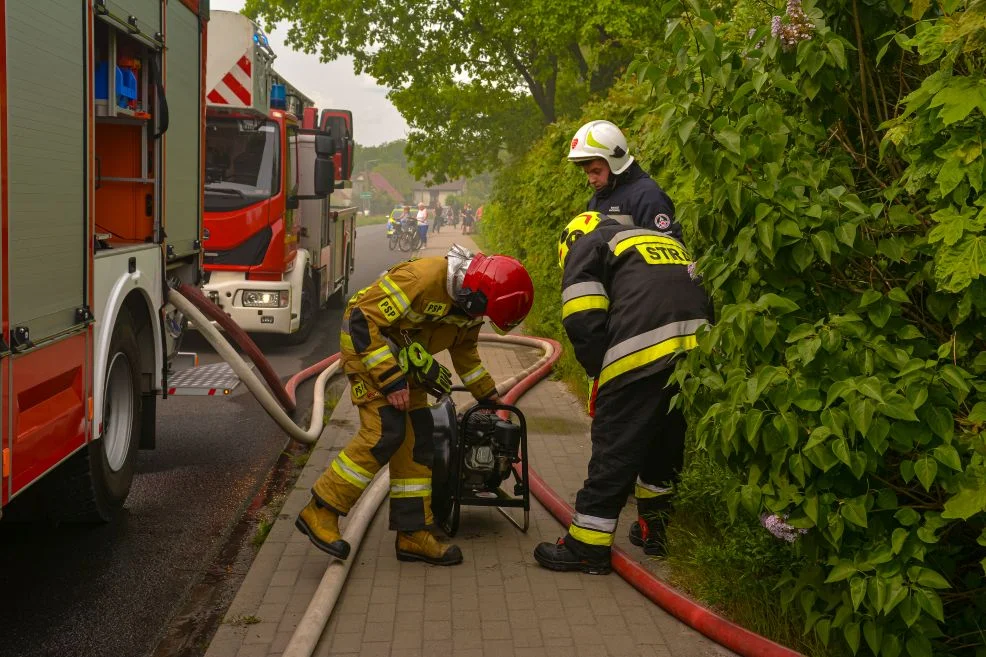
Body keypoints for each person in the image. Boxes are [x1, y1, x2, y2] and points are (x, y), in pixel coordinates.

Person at [296, 245, 534, 566]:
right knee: (385, 432)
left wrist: (487, 395)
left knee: (418, 441)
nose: (480, 319)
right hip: (368, 350)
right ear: (475, 292)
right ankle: (321, 510)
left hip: (408, 363)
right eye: (482, 312)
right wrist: (391, 380)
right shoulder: (422, 279)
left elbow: (465, 352)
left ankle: (412, 533)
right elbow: (362, 319)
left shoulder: (474, 304)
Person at [533, 211, 712, 574]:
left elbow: (581, 318)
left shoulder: (589, 244)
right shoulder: (661, 240)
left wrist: (600, 373)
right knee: (664, 444)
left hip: (642, 350)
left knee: (615, 447)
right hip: (695, 352)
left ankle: (587, 546)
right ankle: (656, 533)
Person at [567, 120, 683, 243]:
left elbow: (671, 251)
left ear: (615, 162)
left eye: (596, 171)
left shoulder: (647, 196)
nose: (591, 180)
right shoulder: (597, 200)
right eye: (587, 172)